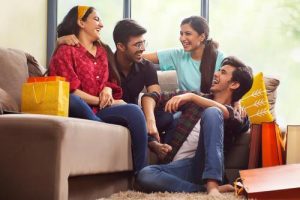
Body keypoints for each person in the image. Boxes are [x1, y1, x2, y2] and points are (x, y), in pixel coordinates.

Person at [49, 5, 148, 172]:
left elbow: (109, 81)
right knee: (73, 101)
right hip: (80, 108)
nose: (101, 24)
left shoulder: (103, 51)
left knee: (134, 111)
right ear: (81, 22)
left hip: (99, 110)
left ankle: (143, 174)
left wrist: (108, 91)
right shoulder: (65, 51)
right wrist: (106, 102)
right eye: (96, 19)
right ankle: (101, 127)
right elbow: (69, 91)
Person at [57, 19, 175, 157]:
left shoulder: (146, 66)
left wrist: (150, 120)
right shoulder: (103, 61)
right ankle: (151, 143)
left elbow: (155, 93)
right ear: (121, 46)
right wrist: (60, 40)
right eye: (137, 44)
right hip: (110, 112)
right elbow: (82, 49)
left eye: (143, 43)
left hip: (137, 113)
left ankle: (166, 160)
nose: (143, 48)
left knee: (168, 118)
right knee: (130, 115)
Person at [136, 56, 253, 195]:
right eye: (218, 70)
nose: (215, 74)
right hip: (179, 167)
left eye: (223, 72)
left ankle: (213, 186)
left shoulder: (239, 114)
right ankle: (202, 190)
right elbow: (151, 96)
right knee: (145, 175)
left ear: (234, 84)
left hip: (204, 166)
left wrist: (192, 97)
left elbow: (229, 115)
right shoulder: (194, 98)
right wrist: (151, 121)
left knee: (212, 112)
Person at [143, 16, 225, 94]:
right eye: (181, 34)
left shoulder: (220, 58)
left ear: (202, 37)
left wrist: (235, 101)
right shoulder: (178, 55)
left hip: (212, 105)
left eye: (188, 34)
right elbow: (140, 57)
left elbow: (230, 85)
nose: (182, 38)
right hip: (185, 106)